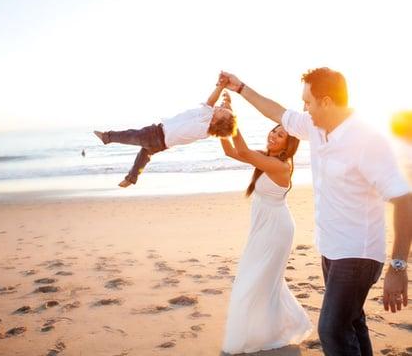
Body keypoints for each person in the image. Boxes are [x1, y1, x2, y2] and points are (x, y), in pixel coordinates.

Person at [218, 67, 411, 356]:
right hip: (330, 249)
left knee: (331, 329)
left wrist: (398, 266)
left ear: (327, 102)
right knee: (353, 322)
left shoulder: (366, 140)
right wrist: (240, 87)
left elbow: (404, 200)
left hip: (357, 253)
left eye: (308, 102)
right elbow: (275, 111)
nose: (304, 109)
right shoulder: (314, 127)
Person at [219, 93, 312, 354]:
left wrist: (232, 118)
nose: (273, 135)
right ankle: (271, 330)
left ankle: (262, 334)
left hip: (276, 231)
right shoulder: (265, 158)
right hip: (264, 228)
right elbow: (230, 150)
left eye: (280, 135)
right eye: (274, 130)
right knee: (261, 282)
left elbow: (244, 151)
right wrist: (223, 121)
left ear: (288, 145)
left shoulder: (279, 166)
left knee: (254, 282)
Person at [94, 84, 237, 187]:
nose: (220, 107)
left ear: (216, 121)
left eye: (222, 110)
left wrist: (221, 86)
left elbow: (211, 102)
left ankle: (108, 137)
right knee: (143, 155)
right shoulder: (206, 132)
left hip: (157, 134)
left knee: (131, 135)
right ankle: (131, 178)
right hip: (163, 144)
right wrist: (227, 105)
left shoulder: (206, 117)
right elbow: (222, 119)